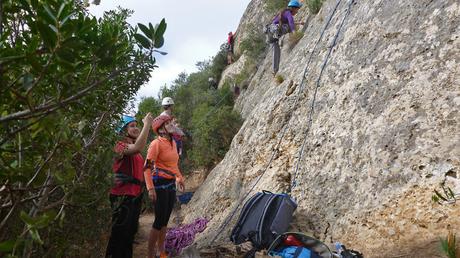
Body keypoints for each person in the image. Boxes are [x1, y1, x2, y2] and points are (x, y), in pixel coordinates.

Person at [106, 113, 154, 258]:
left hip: (134, 196)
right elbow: (137, 147)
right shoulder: (118, 145)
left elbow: (141, 169)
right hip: (121, 196)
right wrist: (147, 124)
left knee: (129, 236)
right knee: (119, 236)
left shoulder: (136, 152)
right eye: (132, 126)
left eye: (136, 125)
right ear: (122, 130)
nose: (136, 128)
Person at [144, 115, 186, 258]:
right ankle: (150, 254)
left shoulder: (173, 142)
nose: (171, 124)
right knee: (159, 221)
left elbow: (174, 165)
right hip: (159, 185)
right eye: (168, 123)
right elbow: (147, 168)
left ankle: (161, 251)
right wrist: (150, 188)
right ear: (161, 129)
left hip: (170, 184)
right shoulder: (156, 144)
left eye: (170, 122)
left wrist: (180, 177)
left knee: (165, 220)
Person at [267, 0, 303, 75]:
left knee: (276, 52)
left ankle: (274, 71)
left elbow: (287, 22)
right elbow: (291, 23)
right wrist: (295, 34)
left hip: (270, 34)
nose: (297, 12)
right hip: (275, 31)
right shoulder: (288, 13)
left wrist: (299, 23)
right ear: (293, 8)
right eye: (297, 9)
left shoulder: (284, 13)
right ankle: (292, 39)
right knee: (289, 27)